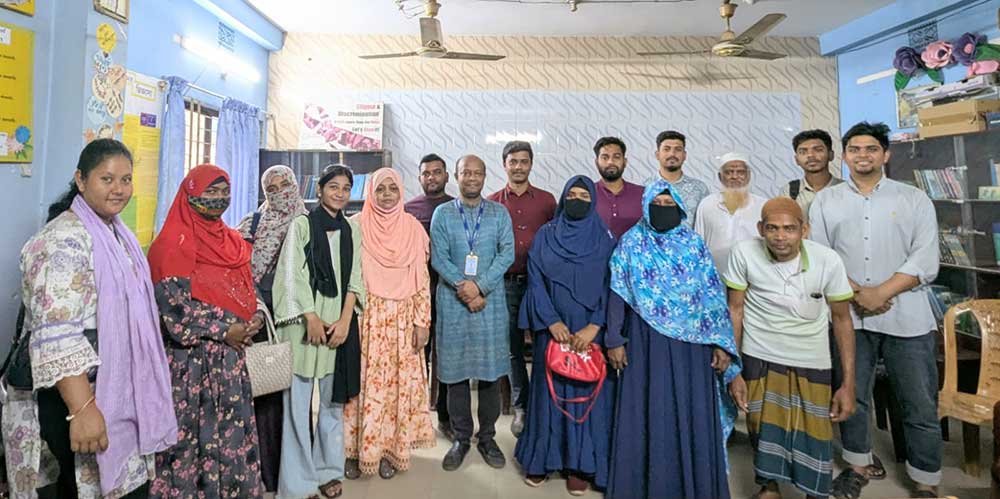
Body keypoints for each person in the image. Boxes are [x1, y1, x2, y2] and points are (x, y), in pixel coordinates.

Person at [4, 139, 176, 498]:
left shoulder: (118, 235)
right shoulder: (61, 241)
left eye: (126, 180)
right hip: (74, 395)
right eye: (107, 179)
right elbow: (57, 333)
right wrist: (82, 409)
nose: (119, 190)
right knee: (80, 487)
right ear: (81, 180)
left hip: (114, 390)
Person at [811, 122, 941, 499]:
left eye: (871, 149)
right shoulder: (826, 201)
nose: (862, 155)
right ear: (845, 155)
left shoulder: (914, 199)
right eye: (854, 149)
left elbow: (925, 258)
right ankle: (857, 467)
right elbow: (821, 255)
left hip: (908, 315)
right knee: (852, 394)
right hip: (850, 317)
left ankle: (926, 480)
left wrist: (880, 292)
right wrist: (857, 293)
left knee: (918, 401)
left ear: (886, 154)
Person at [605, 180, 740, 499]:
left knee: (690, 411)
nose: (663, 210)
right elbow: (617, 293)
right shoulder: (632, 243)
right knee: (649, 409)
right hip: (644, 342)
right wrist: (614, 339)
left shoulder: (693, 245)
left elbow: (712, 296)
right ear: (645, 207)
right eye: (657, 204)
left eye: (670, 205)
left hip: (692, 348)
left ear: (680, 208)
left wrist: (721, 343)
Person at [724, 197, 857, 499]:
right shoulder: (743, 253)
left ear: (804, 230)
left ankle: (815, 491)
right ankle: (769, 488)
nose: (780, 236)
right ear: (760, 228)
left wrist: (848, 384)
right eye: (772, 228)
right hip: (759, 356)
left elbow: (842, 320)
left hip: (812, 359)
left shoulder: (828, 260)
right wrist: (734, 371)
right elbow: (735, 311)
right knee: (763, 429)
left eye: (789, 229)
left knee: (814, 435)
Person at [147, 164, 264, 498]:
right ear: (190, 193)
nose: (219, 198)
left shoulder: (232, 240)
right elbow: (173, 309)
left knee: (231, 437)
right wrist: (225, 329)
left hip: (231, 362)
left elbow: (246, 288)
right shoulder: (172, 244)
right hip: (192, 365)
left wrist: (255, 315)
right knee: (192, 441)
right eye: (210, 191)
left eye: (224, 191)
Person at [515, 175, 618, 496]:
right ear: (562, 199)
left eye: (584, 196)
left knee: (585, 395)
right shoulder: (546, 236)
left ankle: (580, 465)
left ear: (593, 201)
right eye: (571, 195)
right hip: (553, 331)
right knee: (549, 393)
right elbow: (535, 280)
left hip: (589, 333)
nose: (577, 201)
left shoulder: (604, 238)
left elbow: (612, 286)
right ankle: (543, 459)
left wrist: (595, 326)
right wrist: (551, 321)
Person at [271, 164, 364, 499]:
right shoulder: (302, 224)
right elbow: (290, 274)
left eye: (346, 188)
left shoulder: (352, 229)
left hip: (337, 327)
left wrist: (345, 321)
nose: (340, 193)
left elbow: (355, 277)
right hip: (302, 325)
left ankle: (328, 471)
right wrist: (310, 317)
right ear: (320, 189)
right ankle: (298, 482)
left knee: (331, 404)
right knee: (296, 406)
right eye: (333, 186)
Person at [344, 168, 436, 479]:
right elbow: (348, 277)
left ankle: (389, 451)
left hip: (403, 321)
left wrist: (422, 322)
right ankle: (355, 451)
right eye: (380, 189)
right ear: (371, 192)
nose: (386, 195)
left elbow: (422, 280)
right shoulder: (356, 226)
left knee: (396, 389)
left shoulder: (413, 229)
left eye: (392, 189)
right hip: (366, 318)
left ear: (401, 192)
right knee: (360, 385)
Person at [432, 154, 515, 471]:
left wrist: (479, 286)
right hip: (453, 303)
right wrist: (463, 287)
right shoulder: (442, 213)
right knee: (455, 375)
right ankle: (461, 438)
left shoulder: (498, 213)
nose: (471, 177)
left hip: (489, 303)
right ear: (456, 176)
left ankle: (488, 438)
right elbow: (439, 257)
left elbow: (507, 254)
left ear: (484, 176)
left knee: (490, 373)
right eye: (465, 172)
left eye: (477, 173)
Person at [235, 164, 307, 494]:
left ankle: (298, 470)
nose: (279, 194)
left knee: (296, 396)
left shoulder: (306, 223)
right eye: (271, 189)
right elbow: (234, 267)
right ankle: (268, 471)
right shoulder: (252, 222)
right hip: (259, 317)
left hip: (295, 318)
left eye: (284, 186)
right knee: (266, 394)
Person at [487, 141, 557, 436]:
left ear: (531, 164)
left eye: (523, 161)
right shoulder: (492, 203)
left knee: (544, 344)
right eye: (513, 161)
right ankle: (522, 408)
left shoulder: (547, 201)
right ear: (504, 164)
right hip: (505, 284)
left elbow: (557, 241)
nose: (518, 167)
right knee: (513, 349)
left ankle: (544, 405)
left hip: (541, 284)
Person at [403, 153, 455, 439]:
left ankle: (445, 416)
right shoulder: (408, 210)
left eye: (437, 172)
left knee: (446, 357)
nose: (432, 177)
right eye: (426, 173)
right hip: (415, 295)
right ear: (420, 177)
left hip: (449, 293)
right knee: (415, 357)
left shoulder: (456, 207)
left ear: (446, 176)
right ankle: (414, 416)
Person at [694, 152, 767, 274]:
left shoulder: (763, 205)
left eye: (740, 172)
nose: (735, 176)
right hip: (714, 274)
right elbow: (698, 242)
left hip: (753, 274)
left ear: (748, 176)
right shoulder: (707, 204)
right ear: (720, 176)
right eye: (729, 172)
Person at [649, 130, 710, 228]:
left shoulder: (699, 189)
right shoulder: (645, 188)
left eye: (678, 149)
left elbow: (707, 225)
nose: (672, 154)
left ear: (684, 155)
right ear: (657, 155)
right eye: (666, 149)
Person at [780, 130, 843, 217]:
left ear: (831, 155)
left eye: (818, 150)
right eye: (803, 152)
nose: (810, 155)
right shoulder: (789, 191)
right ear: (796, 160)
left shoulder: (846, 189)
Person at [592, 136, 643, 238]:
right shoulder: (587, 194)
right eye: (605, 157)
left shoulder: (643, 194)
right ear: (596, 162)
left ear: (625, 162)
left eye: (616, 157)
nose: (610, 162)